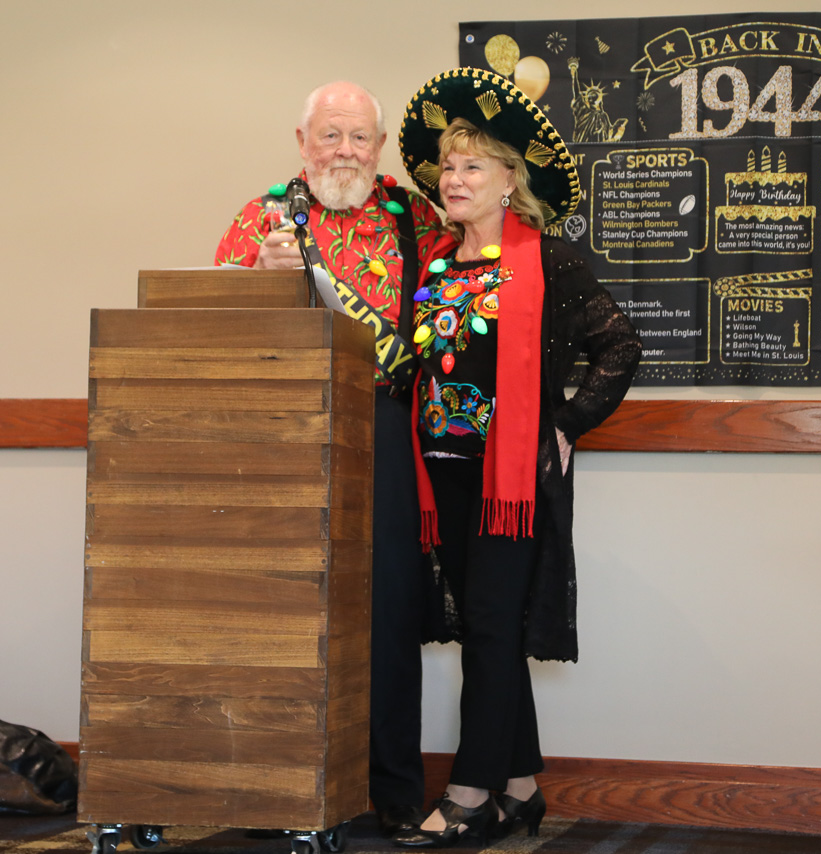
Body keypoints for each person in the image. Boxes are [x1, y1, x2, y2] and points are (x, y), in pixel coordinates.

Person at [390, 68, 642, 848]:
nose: (454, 178)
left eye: (473, 165)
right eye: (448, 165)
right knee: (485, 628)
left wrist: (567, 423)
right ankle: (524, 791)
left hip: (510, 481)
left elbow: (619, 346)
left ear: (509, 180)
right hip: (440, 474)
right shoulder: (432, 261)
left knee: (493, 630)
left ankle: (470, 795)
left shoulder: (548, 262)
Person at [215, 81, 444, 838]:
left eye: (359, 137)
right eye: (330, 135)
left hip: (384, 424)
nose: (344, 151)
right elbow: (215, 327)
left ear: (379, 147)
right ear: (302, 141)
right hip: (282, 431)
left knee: (389, 606)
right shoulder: (261, 218)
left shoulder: (414, 216)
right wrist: (262, 283)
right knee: (279, 608)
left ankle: (395, 790)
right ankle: (276, 790)